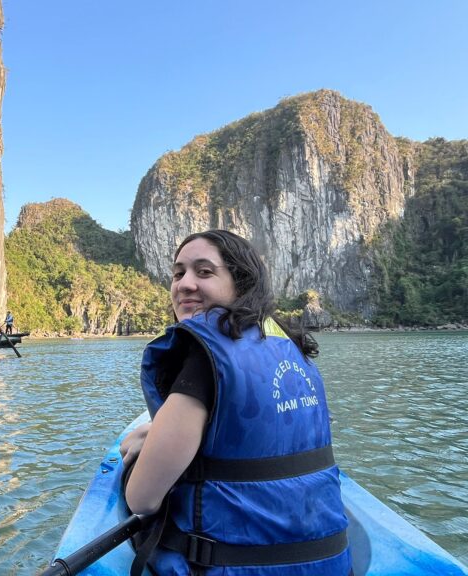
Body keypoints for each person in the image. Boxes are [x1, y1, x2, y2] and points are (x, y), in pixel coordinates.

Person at [119, 230, 351, 575]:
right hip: (330, 564)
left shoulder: (205, 361)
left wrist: (140, 445)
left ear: (241, 282)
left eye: (204, 271)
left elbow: (143, 499)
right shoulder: (292, 348)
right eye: (178, 272)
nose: (185, 284)